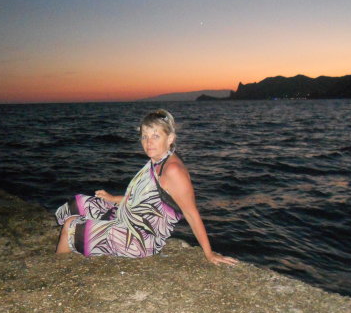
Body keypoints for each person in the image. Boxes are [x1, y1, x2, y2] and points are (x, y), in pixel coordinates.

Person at [55, 109, 237, 266]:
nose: (148, 142)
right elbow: (144, 199)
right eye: (144, 136)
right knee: (77, 203)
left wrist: (209, 253)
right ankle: (75, 244)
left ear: (170, 138)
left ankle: (59, 266)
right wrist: (113, 199)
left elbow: (191, 213)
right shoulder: (156, 160)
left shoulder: (173, 170)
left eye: (155, 136)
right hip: (130, 216)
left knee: (71, 225)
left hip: (139, 238)